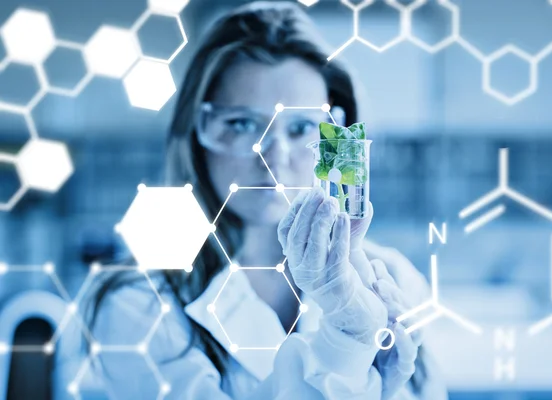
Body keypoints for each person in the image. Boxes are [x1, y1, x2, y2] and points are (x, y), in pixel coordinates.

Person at [84, 2, 447, 399]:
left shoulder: (394, 278)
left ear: (336, 141)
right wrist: (346, 343)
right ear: (196, 136)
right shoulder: (137, 305)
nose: (275, 156)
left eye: (302, 127)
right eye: (241, 124)